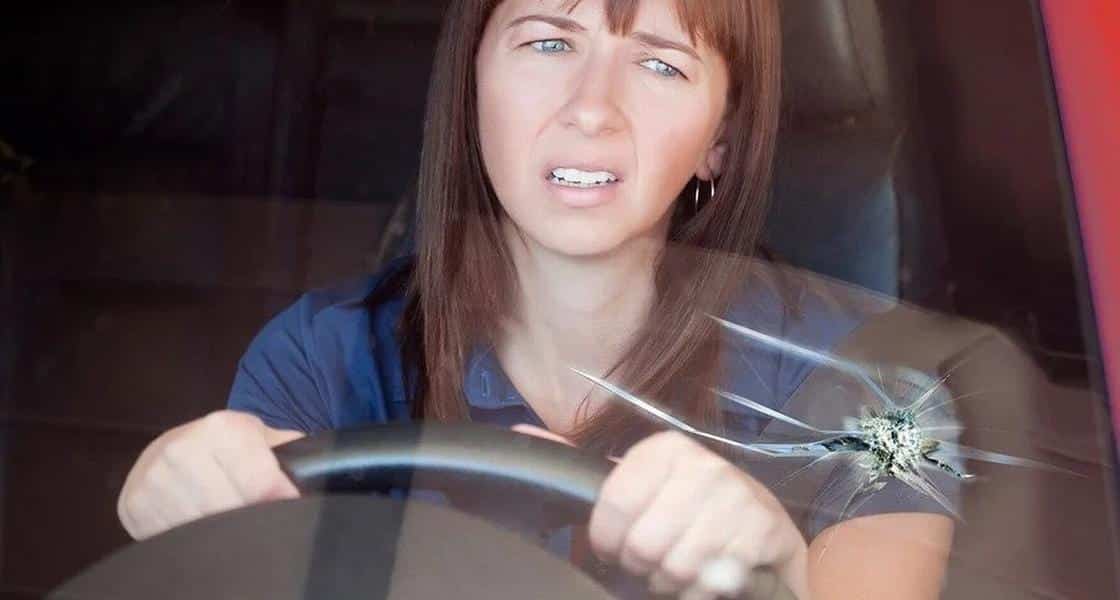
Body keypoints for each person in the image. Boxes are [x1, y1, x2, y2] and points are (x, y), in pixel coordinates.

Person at [117, 1, 955, 597]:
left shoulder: (879, 395)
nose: (593, 109)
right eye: (549, 43)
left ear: (721, 144)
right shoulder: (322, 358)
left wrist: (785, 577)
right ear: (473, 79)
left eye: (661, 63)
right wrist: (187, 507)